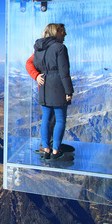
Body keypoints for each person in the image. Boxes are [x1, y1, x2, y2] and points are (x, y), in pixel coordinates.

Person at [32, 23, 73, 161]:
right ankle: (56, 150)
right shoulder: (60, 48)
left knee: (46, 118)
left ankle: (46, 150)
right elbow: (64, 72)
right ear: (56, 32)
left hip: (43, 85)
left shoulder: (39, 49)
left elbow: (36, 65)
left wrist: (39, 76)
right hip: (57, 86)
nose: (65, 35)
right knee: (60, 118)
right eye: (63, 32)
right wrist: (69, 91)